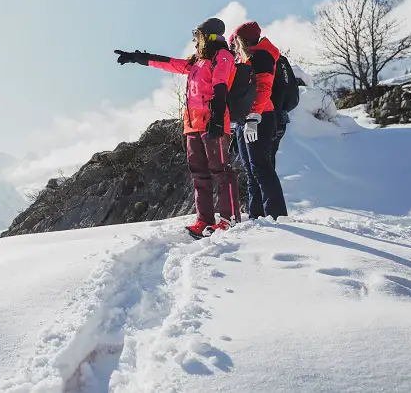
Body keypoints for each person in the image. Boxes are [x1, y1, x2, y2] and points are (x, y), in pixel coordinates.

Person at [115, 17, 241, 239]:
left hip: (213, 121)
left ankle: (229, 220)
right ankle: (205, 220)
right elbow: (170, 63)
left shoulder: (222, 56)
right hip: (192, 124)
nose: (195, 40)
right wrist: (139, 58)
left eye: (198, 36)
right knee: (199, 174)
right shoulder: (197, 61)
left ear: (209, 36)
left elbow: (220, 86)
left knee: (221, 171)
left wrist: (218, 119)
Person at [229, 21, 288, 219]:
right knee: (252, 171)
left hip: (262, 117)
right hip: (248, 120)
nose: (234, 44)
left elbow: (264, 88)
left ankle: (276, 216)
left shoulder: (262, 56)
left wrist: (254, 117)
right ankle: (257, 216)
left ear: (242, 40)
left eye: (236, 40)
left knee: (261, 169)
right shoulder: (250, 58)